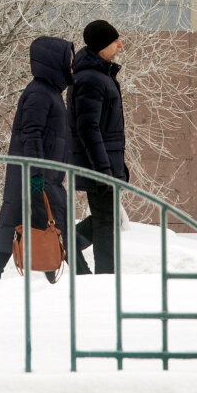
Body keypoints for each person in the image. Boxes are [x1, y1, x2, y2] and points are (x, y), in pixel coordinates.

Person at [0, 36, 91, 281]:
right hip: (36, 177)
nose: (72, 65)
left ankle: (2, 276)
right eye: (69, 60)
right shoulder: (40, 94)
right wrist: (36, 176)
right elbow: (31, 136)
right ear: (56, 62)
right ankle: (83, 279)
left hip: (42, 177)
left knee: (48, 226)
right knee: (52, 227)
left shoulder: (49, 93)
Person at [68, 19, 128, 275]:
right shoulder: (92, 80)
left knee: (108, 221)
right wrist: (102, 168)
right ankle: (69, 244)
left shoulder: (98, 77)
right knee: (106, 221)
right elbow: (88, 128)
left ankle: (102, 273)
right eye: (115, 41)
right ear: (102, 46)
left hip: (105, 162)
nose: (120, 45)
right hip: (100, 164)